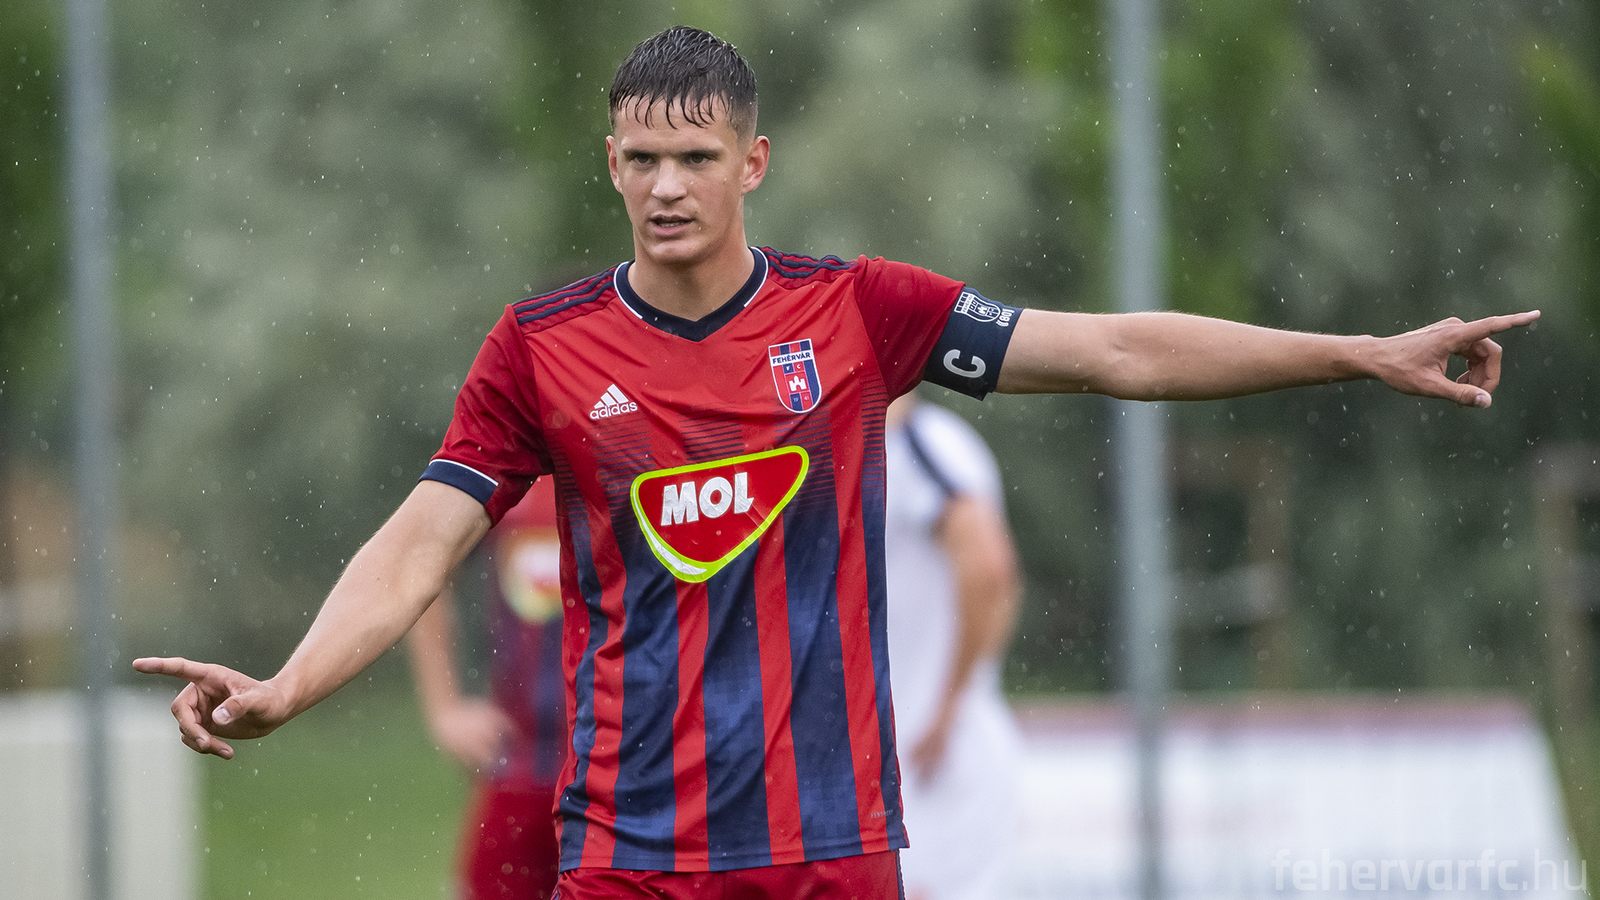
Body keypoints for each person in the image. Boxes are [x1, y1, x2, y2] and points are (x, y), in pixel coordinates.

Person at [135, 24, 1538, 900]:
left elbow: (1112, 349)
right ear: (610, 165)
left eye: (695, 157)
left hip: (831, 848)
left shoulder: (861, 313)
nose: (666, 185)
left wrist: (1356, 350)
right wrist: (289, 686)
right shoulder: (539, 349)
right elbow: (421, 542)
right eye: (640, 159)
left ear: (753, 162)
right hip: (630, 854)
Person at [884, 393, 1022, 900]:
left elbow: (991, 571)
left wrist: (948, 708)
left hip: (935, 760)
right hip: (909, 757)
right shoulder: (873, 444)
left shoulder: (920, 443)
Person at [405, 477, 565, 900]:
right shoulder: (510, 466)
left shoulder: (643, 463)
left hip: (628, 778)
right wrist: (444, 707)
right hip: (518, 768)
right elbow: (421, 562)